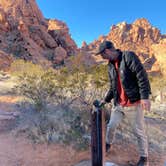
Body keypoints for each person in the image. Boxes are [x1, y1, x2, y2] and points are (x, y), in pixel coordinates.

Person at [95, 41, 151, 166]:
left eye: (102, 54)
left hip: (133, 103)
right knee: (111, 126)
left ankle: (144, 158)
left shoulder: (128, 56)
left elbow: (141, 76)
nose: (102, 57)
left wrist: (145, 97)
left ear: (107, 51)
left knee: (139, 131)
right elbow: (113, 86)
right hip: (119, 104)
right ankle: (108, 145)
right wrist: (106, 99)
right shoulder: (110, 65)